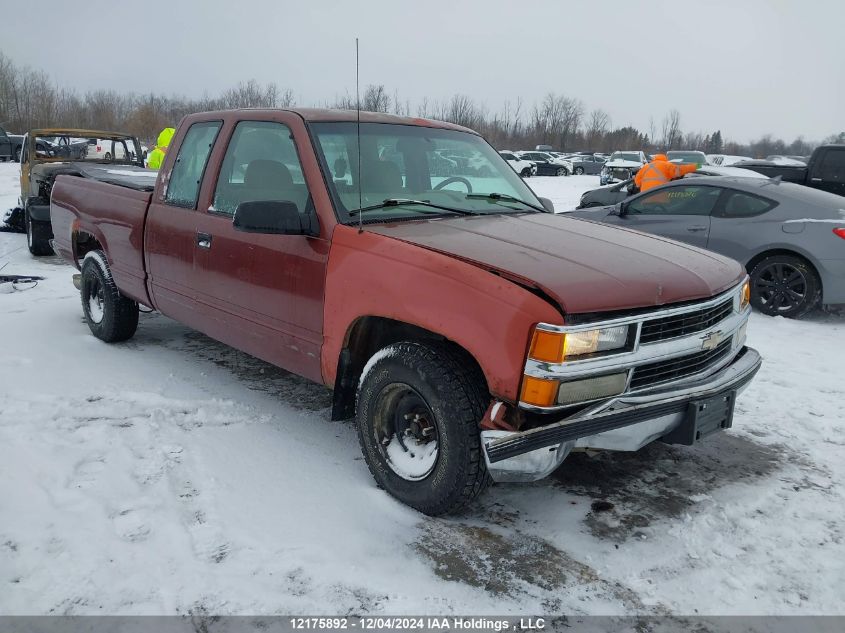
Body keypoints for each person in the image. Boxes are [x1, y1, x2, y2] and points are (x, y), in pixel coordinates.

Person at [634, 154, 699, 192]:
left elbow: (637, 181)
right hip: (660, 194)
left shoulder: (646, 166)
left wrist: (640, 186)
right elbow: (680, 170)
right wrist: (697, 166)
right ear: (665, 159)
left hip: (644, 196)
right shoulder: (667, 165)